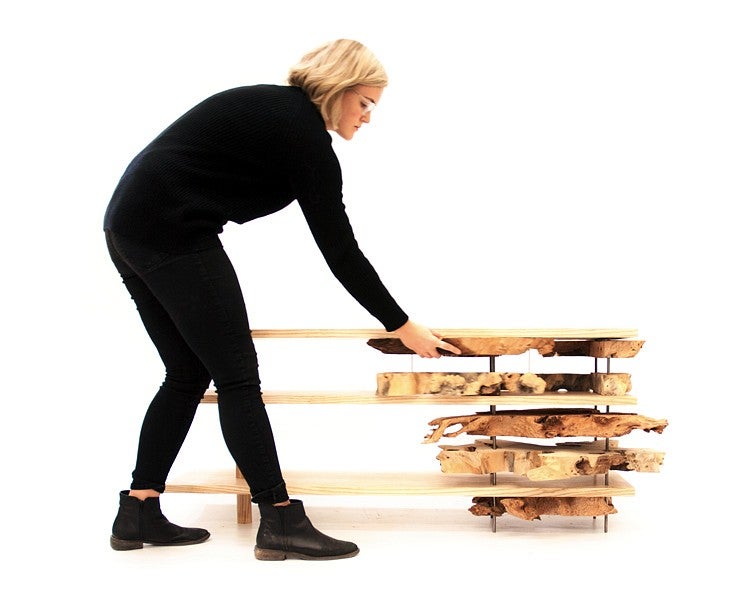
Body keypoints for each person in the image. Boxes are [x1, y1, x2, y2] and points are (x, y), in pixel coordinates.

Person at [103, 38, 461, 561]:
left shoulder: (273, 108)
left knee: (185, 374)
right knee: (238, 379)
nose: (367, 118)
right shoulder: (302, 135)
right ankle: (279, 519)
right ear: (339, 88)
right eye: (365, 103)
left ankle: (138, 511)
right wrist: (401, 323)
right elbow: (340, 250)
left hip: (129, 229)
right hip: (170, 234)